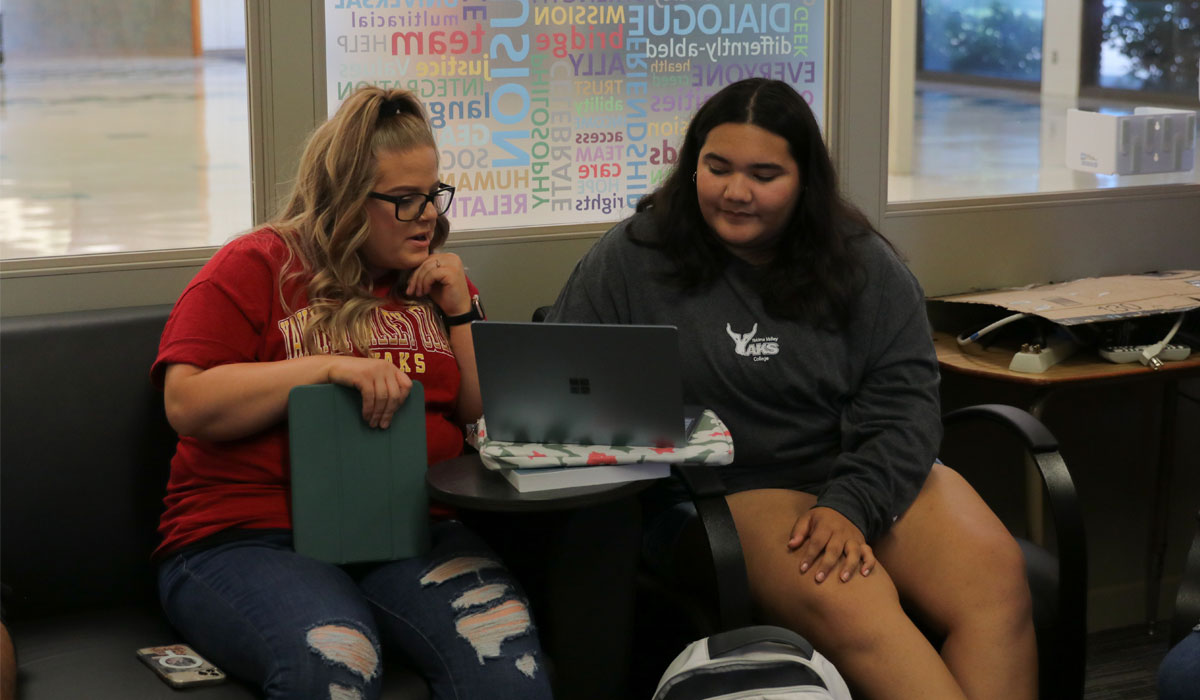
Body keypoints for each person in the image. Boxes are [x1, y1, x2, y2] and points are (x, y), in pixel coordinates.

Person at [547, 78, 1035, 700]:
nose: (735, 192)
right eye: (716, 168)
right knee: (852, 597)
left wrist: (850, 503)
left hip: (857, 468)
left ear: (805, 181)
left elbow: (907, 407)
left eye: (763, 174)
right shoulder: (635, 256)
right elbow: (562, 374)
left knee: (995, 578)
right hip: (720, 490)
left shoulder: (862, 263)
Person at [152, 86, 552, 700]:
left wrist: (462, 311)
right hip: (251, 536)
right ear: (344, 199)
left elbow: (477, 411)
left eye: (433, 194)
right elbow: (187, 402)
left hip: (410, 532)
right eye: (405, 200)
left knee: (506, 658)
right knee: (333, 661)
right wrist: (326, 367)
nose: (429, 216)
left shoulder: (433, 283)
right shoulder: (257, 265)